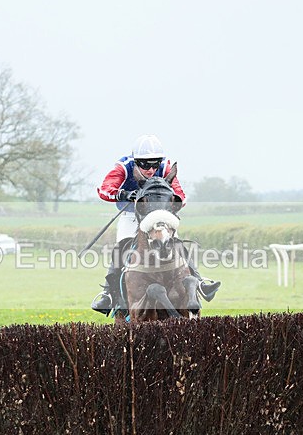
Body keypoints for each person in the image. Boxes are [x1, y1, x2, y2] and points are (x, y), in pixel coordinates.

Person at [91, 134, 219, 314]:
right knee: (121, 247)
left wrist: (171, 202)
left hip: (160, 216)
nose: (151, 169)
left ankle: (199, 281)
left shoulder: (166, 167)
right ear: (136, 161)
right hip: (131, 215)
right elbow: (104, 190)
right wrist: (124, 194)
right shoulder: (123, 167)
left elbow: (181, 196)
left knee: (178, 244)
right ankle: (109, 294)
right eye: (145, 164)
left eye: (155, 164)